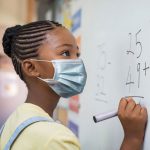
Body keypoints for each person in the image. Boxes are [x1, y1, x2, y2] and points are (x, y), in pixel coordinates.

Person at [0, 20, 147, 150]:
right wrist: (133, 138)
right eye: (65, 53)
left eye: (77, 54)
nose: (77, 62)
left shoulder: (15, 121)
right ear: (31, 68)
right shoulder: (54, 139)